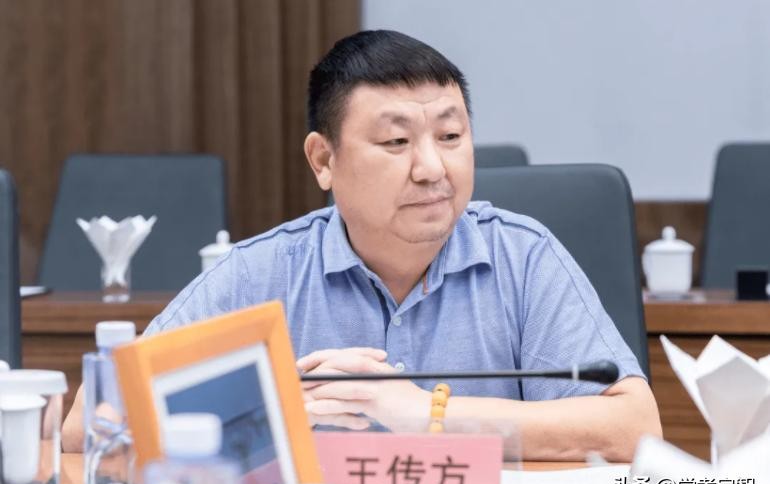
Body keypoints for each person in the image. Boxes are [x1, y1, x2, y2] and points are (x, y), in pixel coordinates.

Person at [63, 30, 661, 460]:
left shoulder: (522, 257)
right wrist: (274, 406)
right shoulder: (260, 273)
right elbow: (89, 423)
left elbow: (636, 428)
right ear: (323, 160)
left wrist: (428, 416)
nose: (433, 168)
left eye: (451, 135)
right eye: (397, 142)